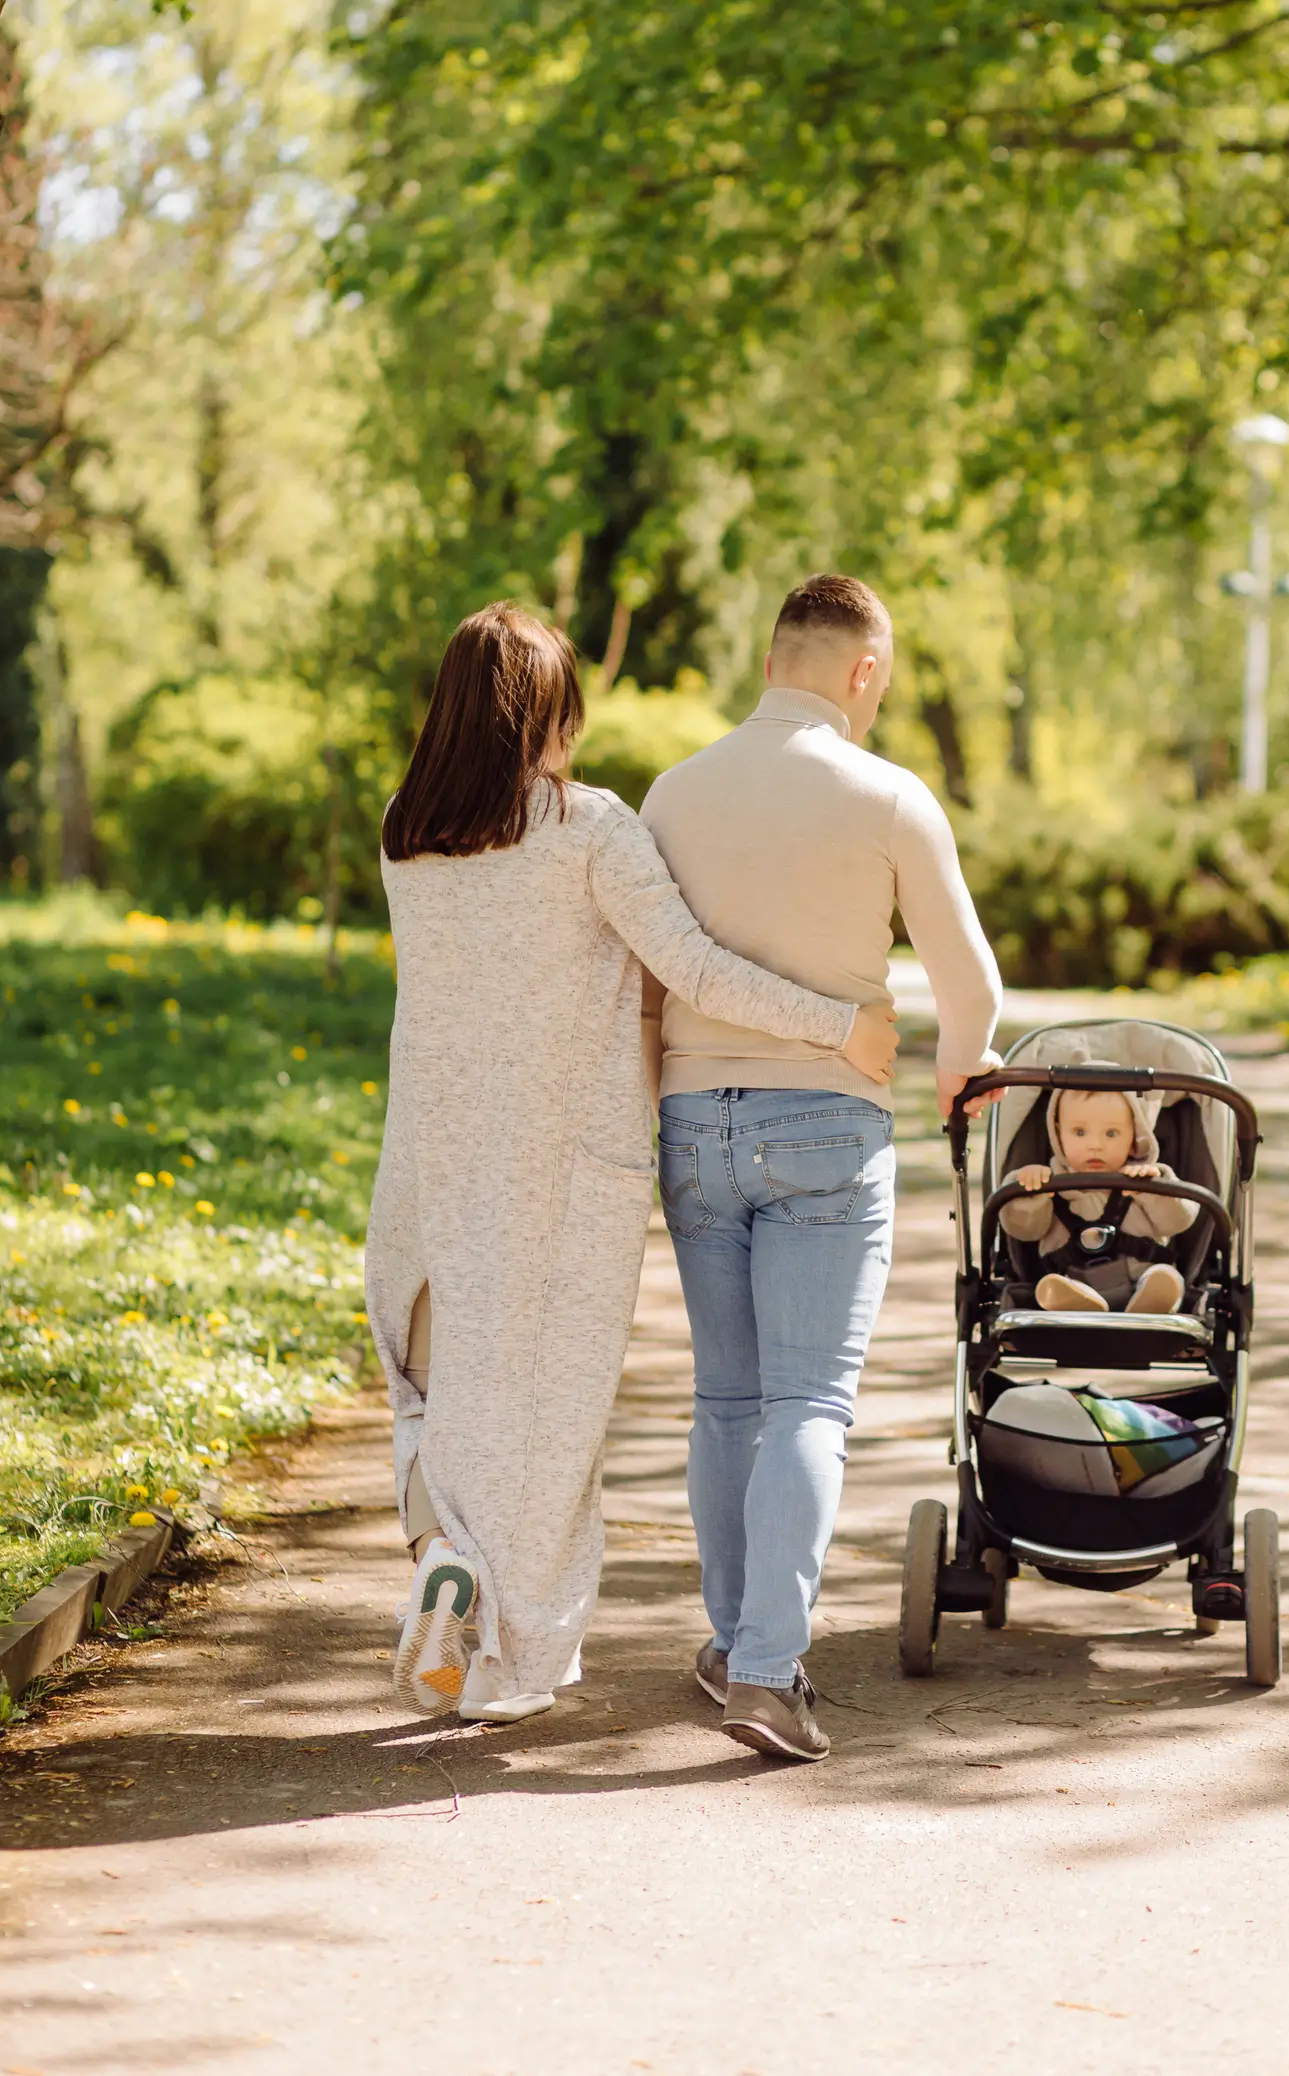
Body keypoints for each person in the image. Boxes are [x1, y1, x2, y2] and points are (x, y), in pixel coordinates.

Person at [365, 603, 899, 1725]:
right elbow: (694, 966)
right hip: (569, 1166)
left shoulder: (404, 832)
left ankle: (443, 1552)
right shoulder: (589, 828)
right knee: (552, 1421)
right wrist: (834, 1022)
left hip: (431, 1157)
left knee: (439, 1387)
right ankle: (509, 1662)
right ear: (545, 711)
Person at [641, 574, 1003, 1762]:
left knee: (725, 1400)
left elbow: (654, 972)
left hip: (693, 1121)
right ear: (861, 670)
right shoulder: (887, 797)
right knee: (807, 1401)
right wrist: (960, 1073)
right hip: (824, 1126)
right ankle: (763, 1669)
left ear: (772, 654)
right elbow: (971, 988)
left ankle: (732, 1645)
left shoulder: (673, 792)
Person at [1000, 1078, 1193, 1315]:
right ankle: (1077, 1302)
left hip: (1142, 1281)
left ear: (1134, 1136)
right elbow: (1024, 1230)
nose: (1095, 1145)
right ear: (1058, 1134)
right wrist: (1031, 1193)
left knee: (1164, 1277)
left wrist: (1153, 1190)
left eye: (1111, 1133)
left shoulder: (1147, 1179)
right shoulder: (1047, 1182)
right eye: (1080, 1132)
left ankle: (1155, 1299)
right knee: (1054, 1286)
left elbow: (1178, 1221)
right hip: (1073, 1281)